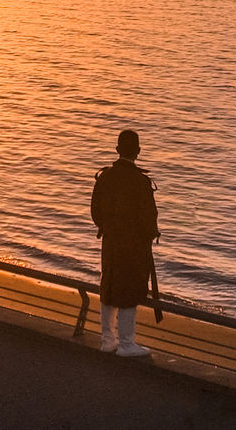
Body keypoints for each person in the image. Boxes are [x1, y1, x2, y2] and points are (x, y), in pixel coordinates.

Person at [90, 129, 161, 356]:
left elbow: (95, 212)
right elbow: (149, 218)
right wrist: (149, 236)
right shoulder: (141, 182)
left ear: (117, 149)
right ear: (138, 152)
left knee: (109, 285)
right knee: (130, 288)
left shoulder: (105, 177)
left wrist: (107, 227)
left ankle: (107, 340)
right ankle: (127, 343)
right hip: (133, 245)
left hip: (110, 241)